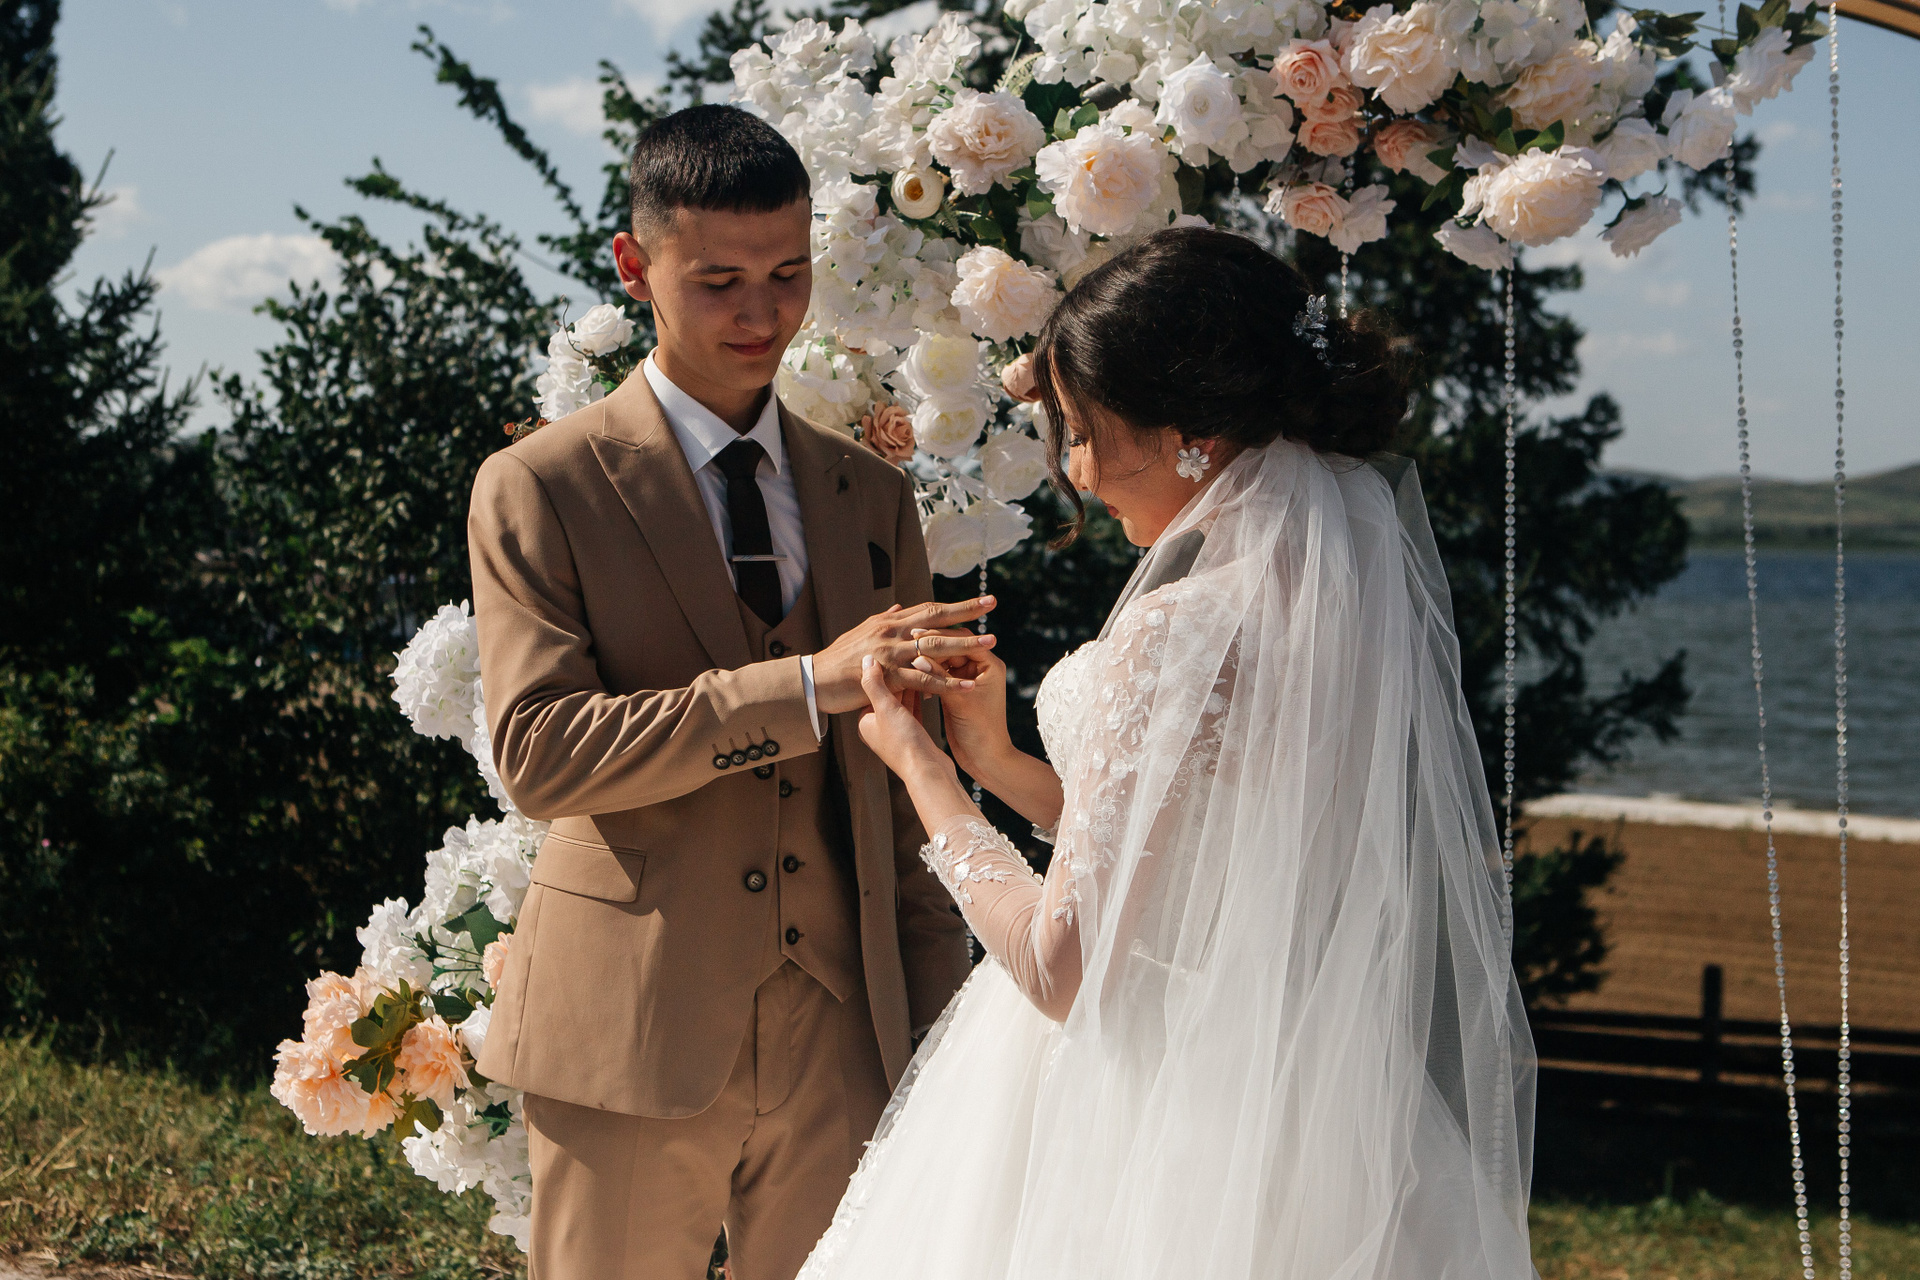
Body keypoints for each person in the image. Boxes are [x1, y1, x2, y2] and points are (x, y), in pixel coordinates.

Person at [805, 226, 1539, 1279]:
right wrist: (995, 760)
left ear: (1191, 432)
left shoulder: (1178, 628)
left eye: (1085, 430)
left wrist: (919, 770)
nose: (1077, 468)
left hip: (1135, 1108)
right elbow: (1189, 846)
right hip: (1295, 1094)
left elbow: (1062, 969)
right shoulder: (1339, 611)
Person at [466, 104, 984, 1280]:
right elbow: (540, 751)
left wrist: (938, 1031)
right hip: (629, 1026)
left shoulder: (871, 497)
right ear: (633, 265)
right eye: (719, 282)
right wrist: (802, 685)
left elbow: (907, 793)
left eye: (789, 274)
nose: (762, 314)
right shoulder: (540, 484)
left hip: (844, 1036)